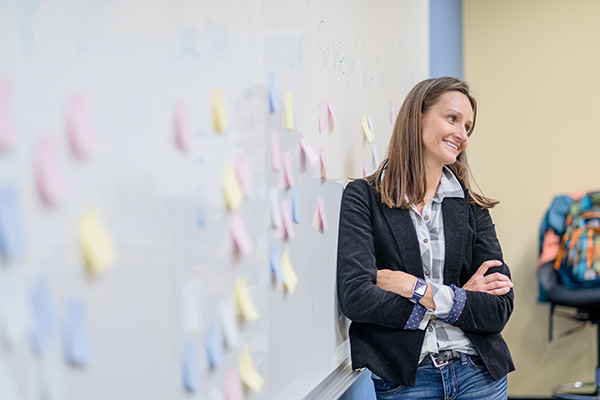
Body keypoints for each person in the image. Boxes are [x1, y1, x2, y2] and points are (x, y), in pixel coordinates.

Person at [336, 76, 515, 400]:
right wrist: (458, 297)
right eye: (452, 119)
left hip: (480, 376)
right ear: (417, 115)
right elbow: (357, 296)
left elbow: (499, 306)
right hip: (408, 382)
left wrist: (415, 288)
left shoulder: (471, 206)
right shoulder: (363, 198)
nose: (462, 135)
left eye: (468, 127)